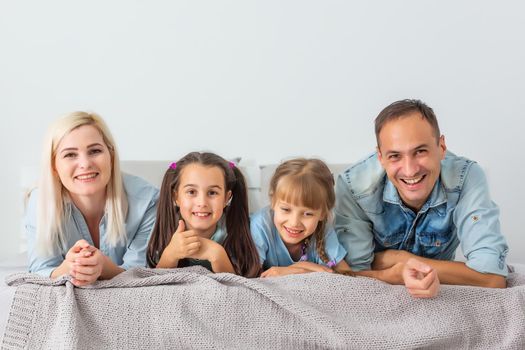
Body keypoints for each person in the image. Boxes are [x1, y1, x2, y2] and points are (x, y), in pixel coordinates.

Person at [335, 99, 508, 290]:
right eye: (395, 156)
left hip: (441, 291)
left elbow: (492, 279)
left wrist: (404, 260)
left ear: (441, 147)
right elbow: (351, 277)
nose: (410, 171)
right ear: (380, 157)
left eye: (420, 151)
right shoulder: (354, 187)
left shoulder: (466, 177)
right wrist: (393, 275)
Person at [26, 111, 159, 286]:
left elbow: (141, 271)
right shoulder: (40, 201)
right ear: (54, 166)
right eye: (70, 155)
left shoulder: (147, 201)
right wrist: (69, 268)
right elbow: (40, 269)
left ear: (110, 156)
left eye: (95, 151)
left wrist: (103, 267)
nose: (85, 164)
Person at [146, 152, 260, 277]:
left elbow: (239, 287)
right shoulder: (163, 228)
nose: (202, 203)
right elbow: (153, 283)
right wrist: (170, 255)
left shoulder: (239, 231)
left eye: (212, 192)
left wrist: (218, 255)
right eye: (191, 192)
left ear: (226, 198)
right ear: (176, 196)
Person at [250, 158, 354, 278]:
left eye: (308, 214)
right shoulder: (260, 225)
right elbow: (252, 279)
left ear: (323, 213)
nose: (294, 223)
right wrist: (314, 271)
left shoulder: (323, 230)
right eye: (286, 209)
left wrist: (295, 271)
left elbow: (346, 275)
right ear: (273, 202)